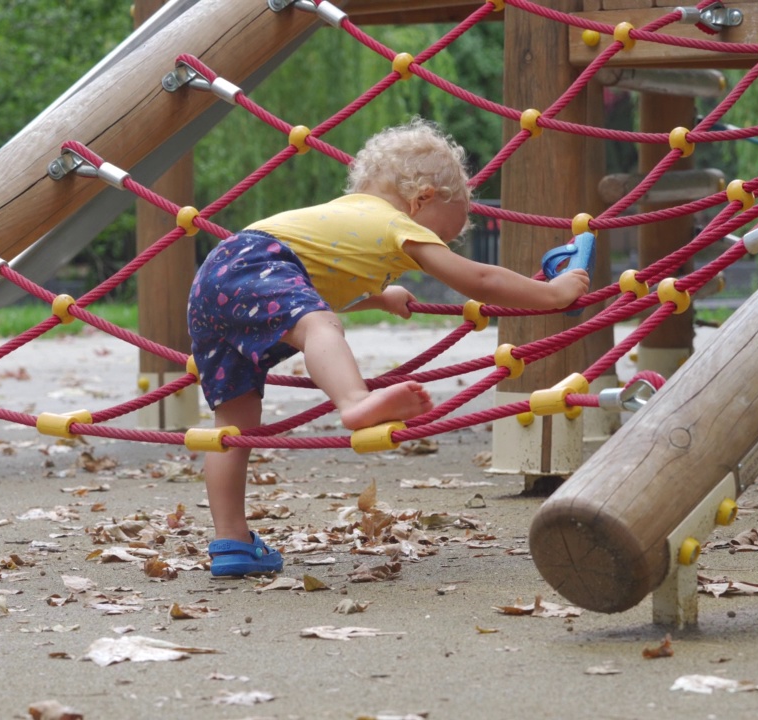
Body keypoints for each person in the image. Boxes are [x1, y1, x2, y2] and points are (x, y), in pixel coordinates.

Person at [188, 118, 590, 576]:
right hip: (259, 263)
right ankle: (355, 401)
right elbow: (480, 278)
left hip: (212, 284)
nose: (444, 243)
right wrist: (555, 295)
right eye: (444, 233)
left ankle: (231, 541)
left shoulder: (345, 215)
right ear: (422, 200)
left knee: (233, 426)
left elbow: (314, 278)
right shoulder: (396, 222)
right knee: (321, 326)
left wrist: (379, 296)